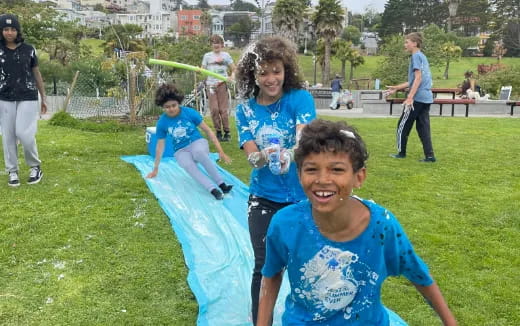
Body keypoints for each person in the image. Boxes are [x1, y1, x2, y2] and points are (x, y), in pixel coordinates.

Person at [257, 119, 457, 326]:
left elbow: (419, 274)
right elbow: (271, 276)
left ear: (359, 177)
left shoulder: (382, 227)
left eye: (337, 170)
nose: (323, 179)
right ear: (299, 175)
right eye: (311, 169)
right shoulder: (285, 224)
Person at [234, 36, 317, 324]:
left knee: (304, 263)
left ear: (286, 70)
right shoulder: (244, 109)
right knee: (264, 265)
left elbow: (304, 140)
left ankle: (307, 318)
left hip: (301, 198)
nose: (271, 79)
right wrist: (260, 158)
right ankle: (261, 320)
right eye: (263, 72)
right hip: (262, 197)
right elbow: (251, 152)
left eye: (276, 71)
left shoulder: (299, 98)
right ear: (252, 75)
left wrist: (289, 155)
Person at [146, 84, 233, 200]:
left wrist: (221, 152)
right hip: (180, 150)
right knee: (187, 164)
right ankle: (212, 189)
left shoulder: (189, 112)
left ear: (179, 103)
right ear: (162, 107)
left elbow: (208, 131)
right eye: (167, 107)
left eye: (174, 105)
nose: (171, 109)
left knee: (199, 153)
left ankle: (222, 184)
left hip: (197, 142)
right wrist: (155, 168)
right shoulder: (162, 122)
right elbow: (160, 146)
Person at [0, 14, 47, 187]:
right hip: (4, 97)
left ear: (18, 31)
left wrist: (44, 97)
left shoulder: (29, 49)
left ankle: (35, 167)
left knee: (24, 134)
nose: (9, 32)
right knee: (8, 136)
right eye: (5, 29)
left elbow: (36, 73)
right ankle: (12, 171)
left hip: (27, 96)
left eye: (13, 29)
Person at [385, 32, 436, 163]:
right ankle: (430, 156)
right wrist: (396, 88)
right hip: (426, 98)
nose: (405, 44)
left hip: (417, 99)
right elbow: (413, 81)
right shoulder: (422, 57)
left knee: (403, 125)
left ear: (414, 43)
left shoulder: (415, 56)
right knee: (423, 128)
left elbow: (418, 78)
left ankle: (401, 153)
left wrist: (410, 97)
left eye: (407, 42)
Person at [201, 34, 236, 142]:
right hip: (211, 86)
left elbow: (234, 69)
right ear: (211, 45)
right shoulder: (207, 56)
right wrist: (199, 71)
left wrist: (231, 76)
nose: (216, 45)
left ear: (221, 44)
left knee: (223, 110)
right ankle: (218, 132)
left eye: (218, 42)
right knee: (214, 110)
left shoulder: (226, 56)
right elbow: (203, 70)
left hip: (222, 85)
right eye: (214, 42)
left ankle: (227, 132)